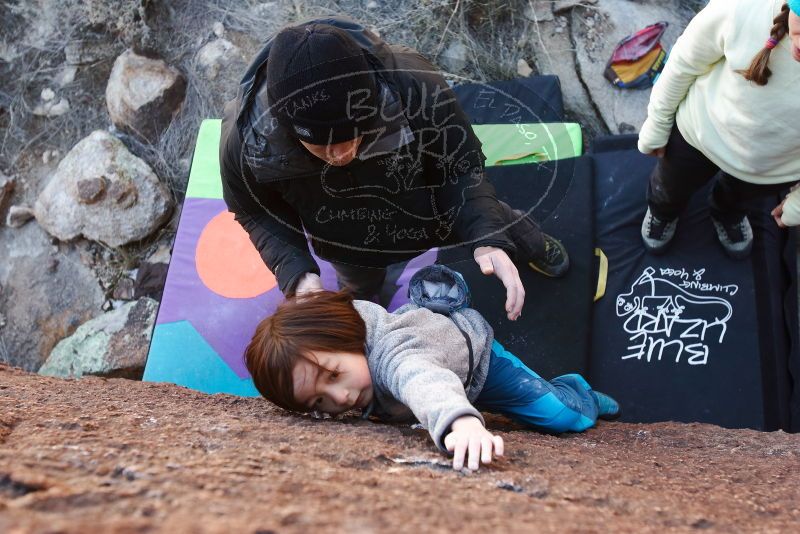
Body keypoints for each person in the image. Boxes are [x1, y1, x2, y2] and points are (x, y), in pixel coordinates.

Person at [220, 16, 569, 322]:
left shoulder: (413, 84)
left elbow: (460, 166)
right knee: (358, 292)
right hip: (348, 244)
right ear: (287, 128)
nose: (342, 154)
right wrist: (296, 274)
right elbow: (255, 212)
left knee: (501, 226)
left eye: (354, 135)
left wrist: (488, 238)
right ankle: (368, 303)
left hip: (434, 210)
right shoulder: (245, 142)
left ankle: (536, 246)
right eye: (323, 145)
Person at [243, 272, 620, 471]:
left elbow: (421, 377)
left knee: (562, 417)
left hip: (478, 367)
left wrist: (462, 423)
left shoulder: (395, 353)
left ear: (350, 336)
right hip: (445, 379)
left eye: (333, 376)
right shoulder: (351, 376)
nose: (340, 399)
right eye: (319, 402)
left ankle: (577, 391)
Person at [638, 0, 800, 258]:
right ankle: (663, 212)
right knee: (669, 187)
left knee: (737, 201)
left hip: (769, 170)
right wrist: (658, 122)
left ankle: (727, 215)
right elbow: (684, 63)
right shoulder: (742, 7)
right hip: (698, 134)